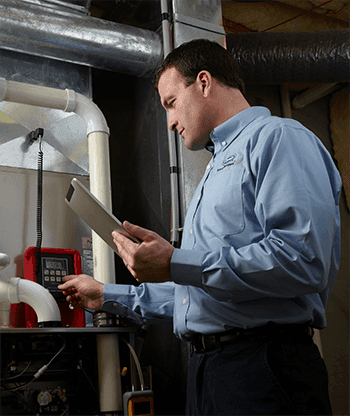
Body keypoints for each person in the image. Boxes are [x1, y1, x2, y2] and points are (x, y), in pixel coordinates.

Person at [58, 39, 342, 415]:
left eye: (171, 103)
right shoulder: (215, 168)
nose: (171, 122)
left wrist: (177, 263)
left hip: (264, 368)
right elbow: (201, 296)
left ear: (204, 82)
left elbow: (303, 261)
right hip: (210, 372)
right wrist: (107, 295)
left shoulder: (279, 138)